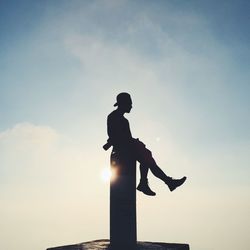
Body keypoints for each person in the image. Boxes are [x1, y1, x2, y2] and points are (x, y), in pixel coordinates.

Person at [103, 92, 186, 196]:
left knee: (146, 156)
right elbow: (115, 136)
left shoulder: (122, 120)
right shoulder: (113, 117)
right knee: (146, 156)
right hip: (122, 149)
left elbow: (124, 137)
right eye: (130, 104)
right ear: (124, 104)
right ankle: (163, 182)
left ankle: (156, 182)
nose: (132, 106)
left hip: (125, 147)